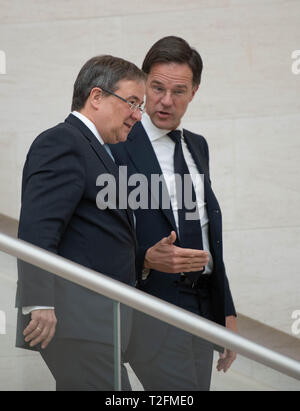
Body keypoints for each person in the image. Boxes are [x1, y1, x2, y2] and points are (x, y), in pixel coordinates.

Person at [110, 36, 238, 391]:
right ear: (144, 84)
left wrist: (225, 310)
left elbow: (208, 229)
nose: (166, 101)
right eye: (157, 88)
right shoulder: (118, 144)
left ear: (194, 91)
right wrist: (145, 259)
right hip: (153, 304)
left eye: (179, 91)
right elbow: (99, 233)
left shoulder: (197, 145)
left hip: (201, 305)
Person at [15, 55, 146, 391]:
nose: (137, 115)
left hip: (100, 323)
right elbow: (38, 227)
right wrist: (40, 301)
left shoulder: (99, 151)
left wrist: (142, 258)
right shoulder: (63, 141)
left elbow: (94, 236)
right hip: (78, 320)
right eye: (131, 102)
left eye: (140, 106)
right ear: (97, 97)